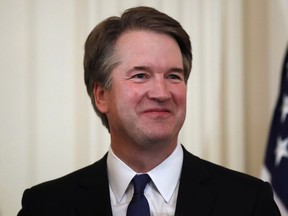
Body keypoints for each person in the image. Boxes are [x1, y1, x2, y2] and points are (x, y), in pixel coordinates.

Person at [18, 6, 280, 216]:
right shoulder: (45, 206)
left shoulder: (249, 202)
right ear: (101, 95)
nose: (162, 93)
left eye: (174, 76)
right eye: (141, 75)